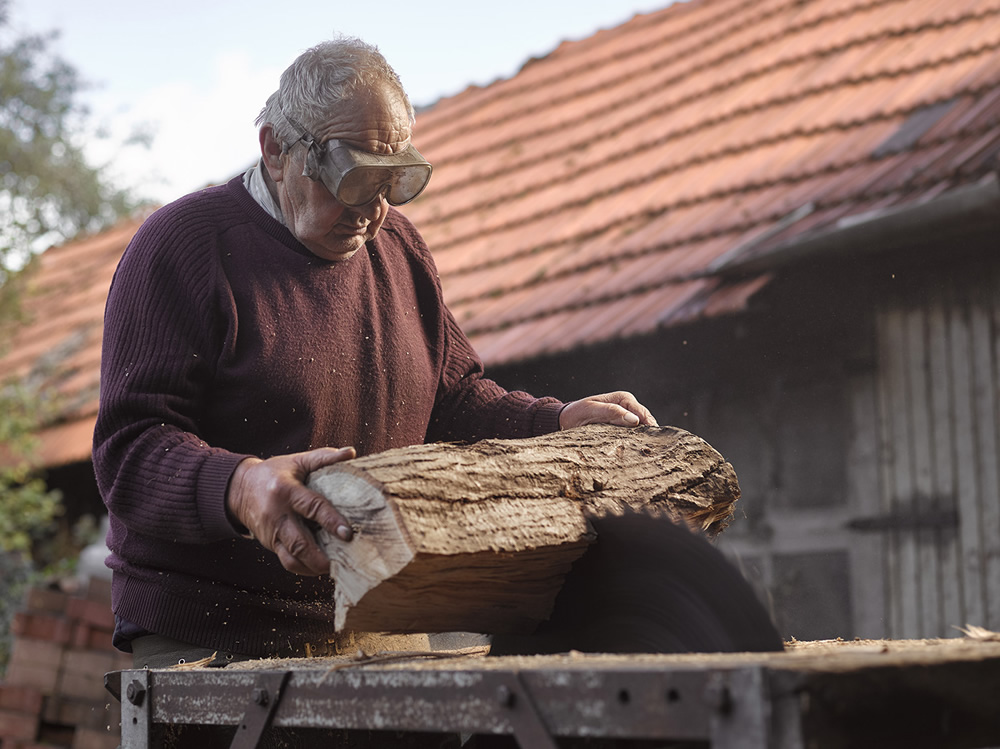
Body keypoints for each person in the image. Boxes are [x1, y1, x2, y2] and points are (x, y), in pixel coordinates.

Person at [93, 36, 656, 670]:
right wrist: (242, 487)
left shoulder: (401, 252)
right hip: (213, 629)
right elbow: (131, 450)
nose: (372, 211)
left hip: (381, 614)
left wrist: (553, 423)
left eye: (390, 184)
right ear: (276, 150)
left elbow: (456, 399)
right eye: (351, 180)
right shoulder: (183, 249)